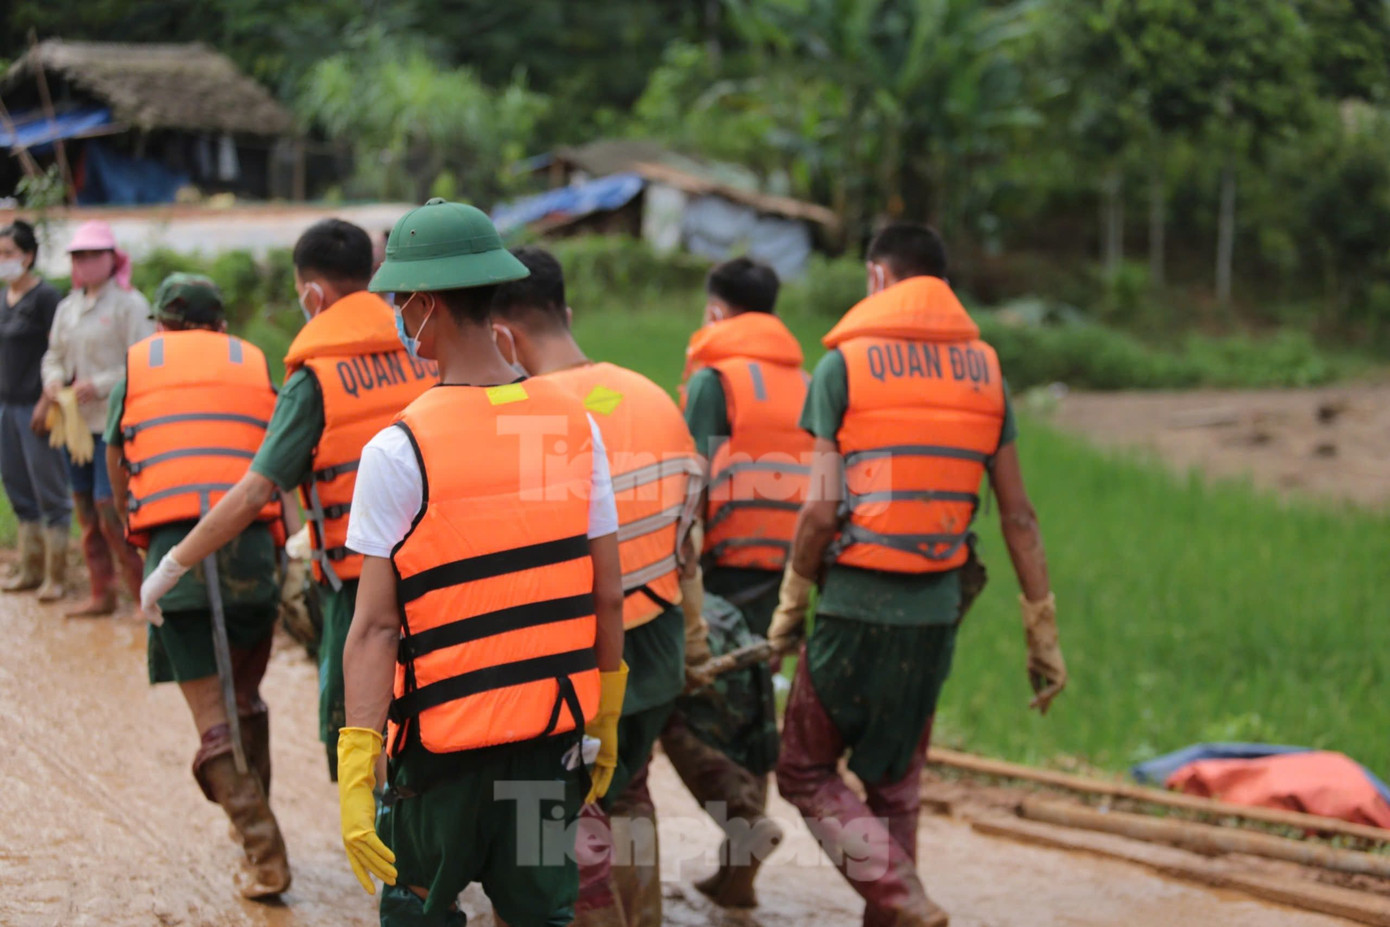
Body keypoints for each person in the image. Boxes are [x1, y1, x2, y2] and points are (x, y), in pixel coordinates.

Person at [335, 199, 628, 927]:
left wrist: (354, 762)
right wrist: (608, 717)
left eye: (400, 302)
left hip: (443, 751)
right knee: (541, 915)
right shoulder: (573, 424)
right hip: (549, 734)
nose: (398, 319)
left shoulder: (399, 449)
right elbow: (608, 594)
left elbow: (373, 628)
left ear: (426, 306)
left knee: (417, 911)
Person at [769, 223, 1068, 927]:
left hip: (854, 605)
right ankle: (901, 905)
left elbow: (818, 510)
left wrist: (789, 605)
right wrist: (1042, 629)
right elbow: (1018, 518)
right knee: (896, 783)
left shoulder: (844, 366)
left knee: (804, 769)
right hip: (936, 611)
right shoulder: (986, 370)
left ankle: (902, 897)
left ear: (877, 278)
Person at [138, 219, 436, 781]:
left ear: (311, 295)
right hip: (450, 570)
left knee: (361, 730)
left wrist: (173, 564)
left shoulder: (315, 377)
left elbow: (256, 490)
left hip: (362, 585)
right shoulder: (427, 346)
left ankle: (394, 855)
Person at [491, 246, 704, 927]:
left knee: (556, 817)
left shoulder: (521, 416)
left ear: (502, 335)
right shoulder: (651, 395)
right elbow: (688, 546)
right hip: (659, 645)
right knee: (630, 787)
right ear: (568, 313)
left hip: (576, 659)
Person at [106, 274, 290, 898]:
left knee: (212, 716)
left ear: (162, 324)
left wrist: (137, 550)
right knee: (244, 696)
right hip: (251, 552)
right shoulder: (254, 360)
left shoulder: (138, 366)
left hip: (175, 554)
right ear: (221, 324)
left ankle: (264, 853)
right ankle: (260, 824)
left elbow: (116, 460)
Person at [659, 256, 811, 907]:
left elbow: (688, 485)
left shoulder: (717, 379)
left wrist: (672, 562)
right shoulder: (807, 380)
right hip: (793, 569)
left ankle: (741, 821)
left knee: (673, 693)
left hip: (727, 564)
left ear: (717, 312)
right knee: (754, 703)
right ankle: (739, 868)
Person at [40, 220, 152, 617]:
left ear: (112, 258)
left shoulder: (130, 304)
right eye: (78, 256)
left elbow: (143, 359)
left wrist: (101, 384)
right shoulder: (68, 308)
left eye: (93, 255)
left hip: (114, 423)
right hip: (76, 426)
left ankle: (141, 594)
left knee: (111, 507)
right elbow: (53, 355)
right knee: (85, 508)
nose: (85, 263)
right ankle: (100, 592)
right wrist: (54, 381)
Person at [0, 220, 72, 601]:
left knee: (50, 489)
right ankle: (29, 566)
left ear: (28, 256)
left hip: (36, 406)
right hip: (6, 406)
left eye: (8, 254)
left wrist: (48, 400)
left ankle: (56, 575)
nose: (3, 262)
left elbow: (59, 353)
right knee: (16, 486)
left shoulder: (46, 299)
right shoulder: (3, 299)